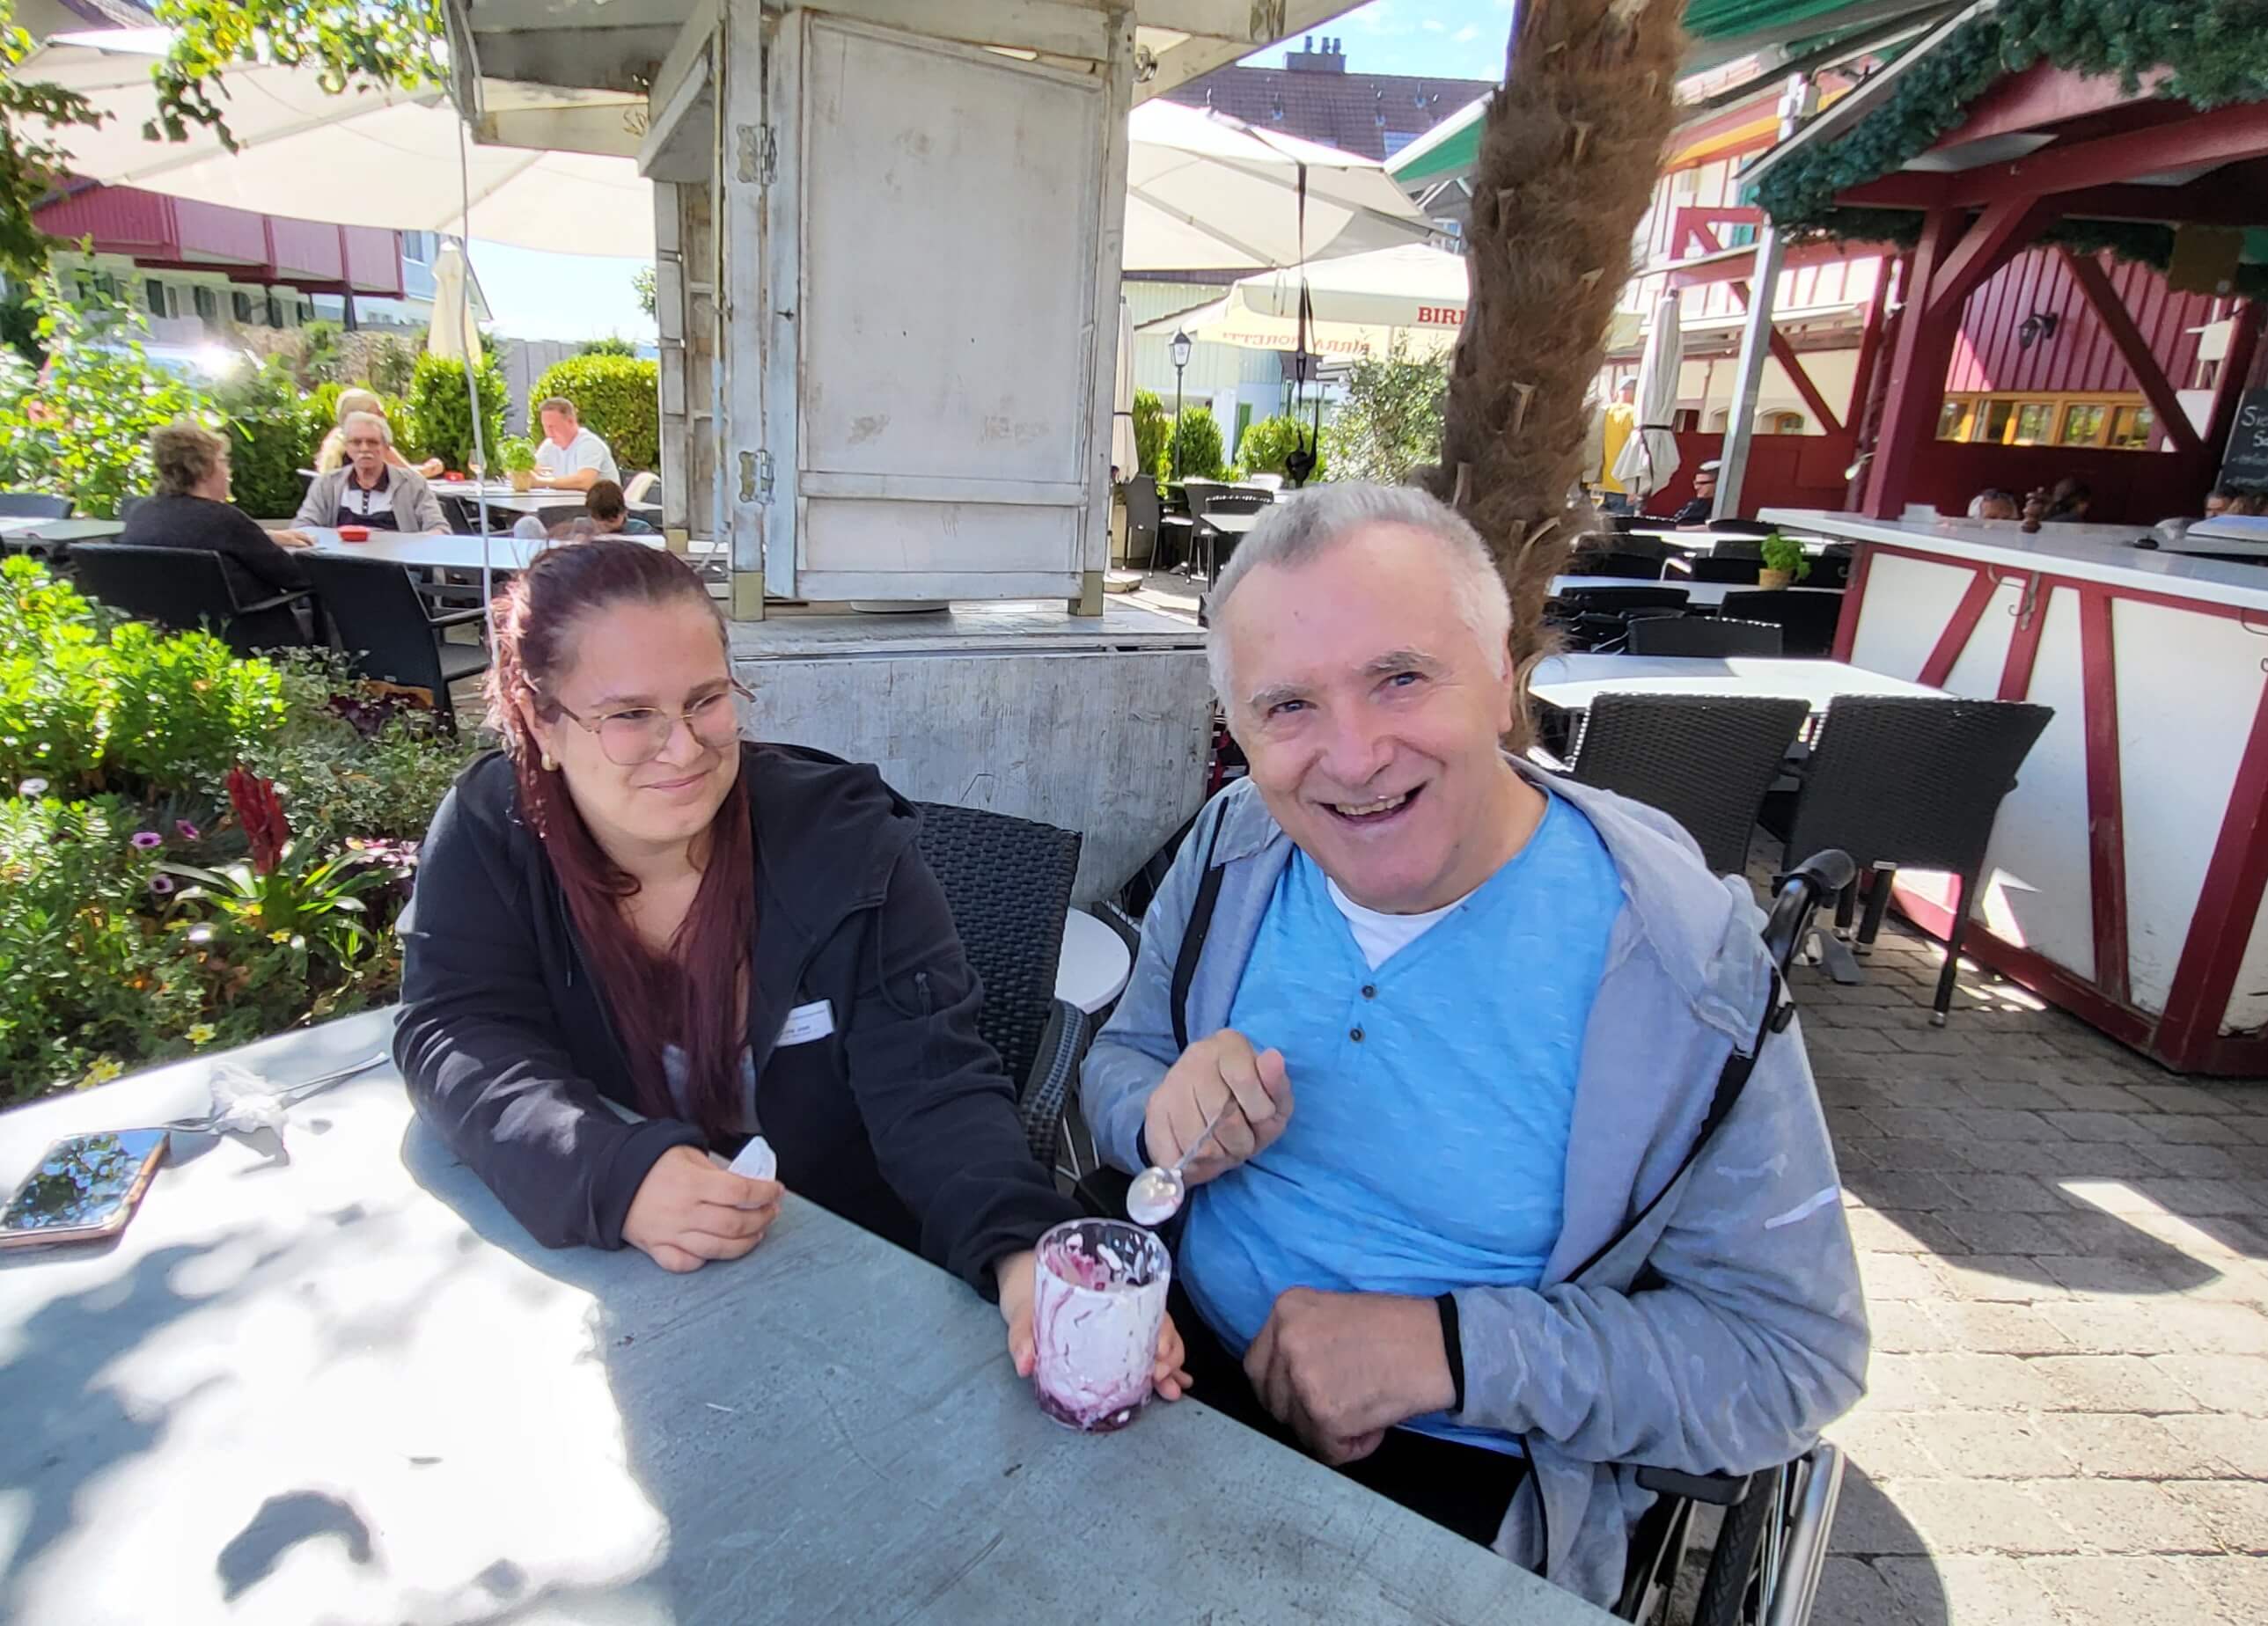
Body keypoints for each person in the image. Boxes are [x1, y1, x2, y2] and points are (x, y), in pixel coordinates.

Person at [1081, 484, 1866, 1608]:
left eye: (1401, 678)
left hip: (1467, 1476)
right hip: (1168, 1372)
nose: (1354, 756)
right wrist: (1160, 1116)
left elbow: (1791, 1357)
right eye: (1288, 706)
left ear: (1503, 678)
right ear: (1239, 734)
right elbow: (1121, 1062)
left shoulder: (1679, 962)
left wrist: (1449, 1352)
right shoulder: (1234, 848)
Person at [393, 539, 1189, 1392]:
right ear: (542, 723)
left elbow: (934, 1085)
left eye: (706, 700)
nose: (682, 748)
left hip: (848, 1303)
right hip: (610, 1310)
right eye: (629, 716)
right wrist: (613, 1171)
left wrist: (1022, 1252)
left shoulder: (845, 847)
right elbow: (454, 1029)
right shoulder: (497, 830)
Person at [122, 419, 312, 603]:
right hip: (248, 622)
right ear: (204, 469)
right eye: (223, 461)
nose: (229, 472)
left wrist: (262, 538)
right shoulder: (223, 520)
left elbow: (188, 536)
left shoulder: (141, 514)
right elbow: (295, 577)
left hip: (170, 622)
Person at [282, 414, 450, 540]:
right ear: (347, 447)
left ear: (386, 447)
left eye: (372, 442)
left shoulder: (413, 484)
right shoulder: (327, 484)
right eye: (356, 442)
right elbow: (302, 527)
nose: (364, 448)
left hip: (397, 569)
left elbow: (440, 529)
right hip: (338, 567)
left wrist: (411, 544)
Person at [314, 388, 444, 479]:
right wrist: (431, 469)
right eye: (378, 413)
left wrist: (424, 469)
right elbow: (410, 477)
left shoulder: (336, 441)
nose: (385, 416)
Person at [532, 397, 621, 492]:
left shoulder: (589, 444)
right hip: (568, 500)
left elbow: (585, 482)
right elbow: (534, 469)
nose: (548, 432)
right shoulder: (549, 445)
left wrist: (540, 482)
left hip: (599, 501)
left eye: (552, 426)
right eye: (545, 426)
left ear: (570, 421)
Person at [1594, 378, 1638, 515]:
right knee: (1620, 526)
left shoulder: (1602, 412)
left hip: (1598, 484)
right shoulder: (1636, 414)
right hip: (1624, 486)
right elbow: (1638, 451)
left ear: (1617, 392)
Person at [584, 479, 656, 536]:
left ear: (625, 512)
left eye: (611, 521)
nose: (605, 528)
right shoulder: (584, 531)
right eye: (600, 521)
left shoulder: (641, 530)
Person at [1668, 458, 1719, 525]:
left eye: (1702, 483)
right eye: (1696, 483)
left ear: (1718, 483)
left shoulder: (1728, 507)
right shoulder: (1696, 505)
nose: (1696, 487)